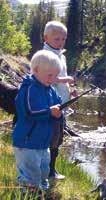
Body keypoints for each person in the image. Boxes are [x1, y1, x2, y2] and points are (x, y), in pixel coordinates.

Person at [12, 50, 62, 191]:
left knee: (43, 170)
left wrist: (59, 113)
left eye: (55, 76)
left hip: (42, 142)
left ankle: (42, 191)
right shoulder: (29, 88)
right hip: (27, 142)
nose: (52, 79)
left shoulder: (50, 90)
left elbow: (57, 106)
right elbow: (29, 112)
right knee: (30, 173)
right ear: (36, 70)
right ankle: (27, 193)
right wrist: (49, 111)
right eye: (49, 75)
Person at [43, 20, 76, 180]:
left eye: (63, 39)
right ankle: (48, 171)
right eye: (57, 39)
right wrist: (65, 80)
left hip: (62, 103)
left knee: (59, 137)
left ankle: (51, 169)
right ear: (46, 38)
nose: (61, 42)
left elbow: (62, 78)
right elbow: (46, 77)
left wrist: (71, 90)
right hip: (51, 104)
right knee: (53, 137)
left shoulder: (61, 56)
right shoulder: (45, 56)